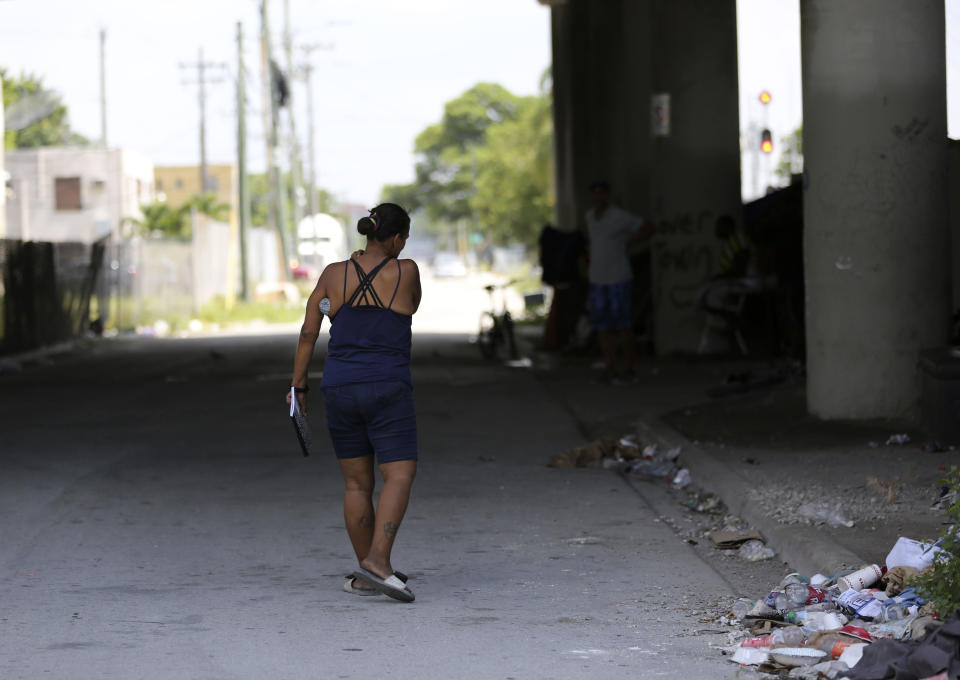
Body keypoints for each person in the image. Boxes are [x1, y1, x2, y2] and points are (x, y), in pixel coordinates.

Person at [287, 203, 421, 603]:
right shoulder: (406, 271)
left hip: (339, 387)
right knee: (398, 475)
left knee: (356, 483)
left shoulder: (332, 274)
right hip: (388, 387)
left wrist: (298, 387)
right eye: (404, 239)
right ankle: (379, 560)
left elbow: (309, 332)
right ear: (397, 238)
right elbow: (410, 305)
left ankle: (367, 573)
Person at [584, 180, 652, 383]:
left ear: (607, 195)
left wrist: (630, 243)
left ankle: (630, 367)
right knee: (602, 326)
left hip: (618, 278)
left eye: (602, 193)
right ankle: (610, 366)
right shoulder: (589, 217)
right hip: (597, 279)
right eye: (595, 193)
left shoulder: (620, 216)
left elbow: (648, 228)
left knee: (623, 324)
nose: (599, 197)